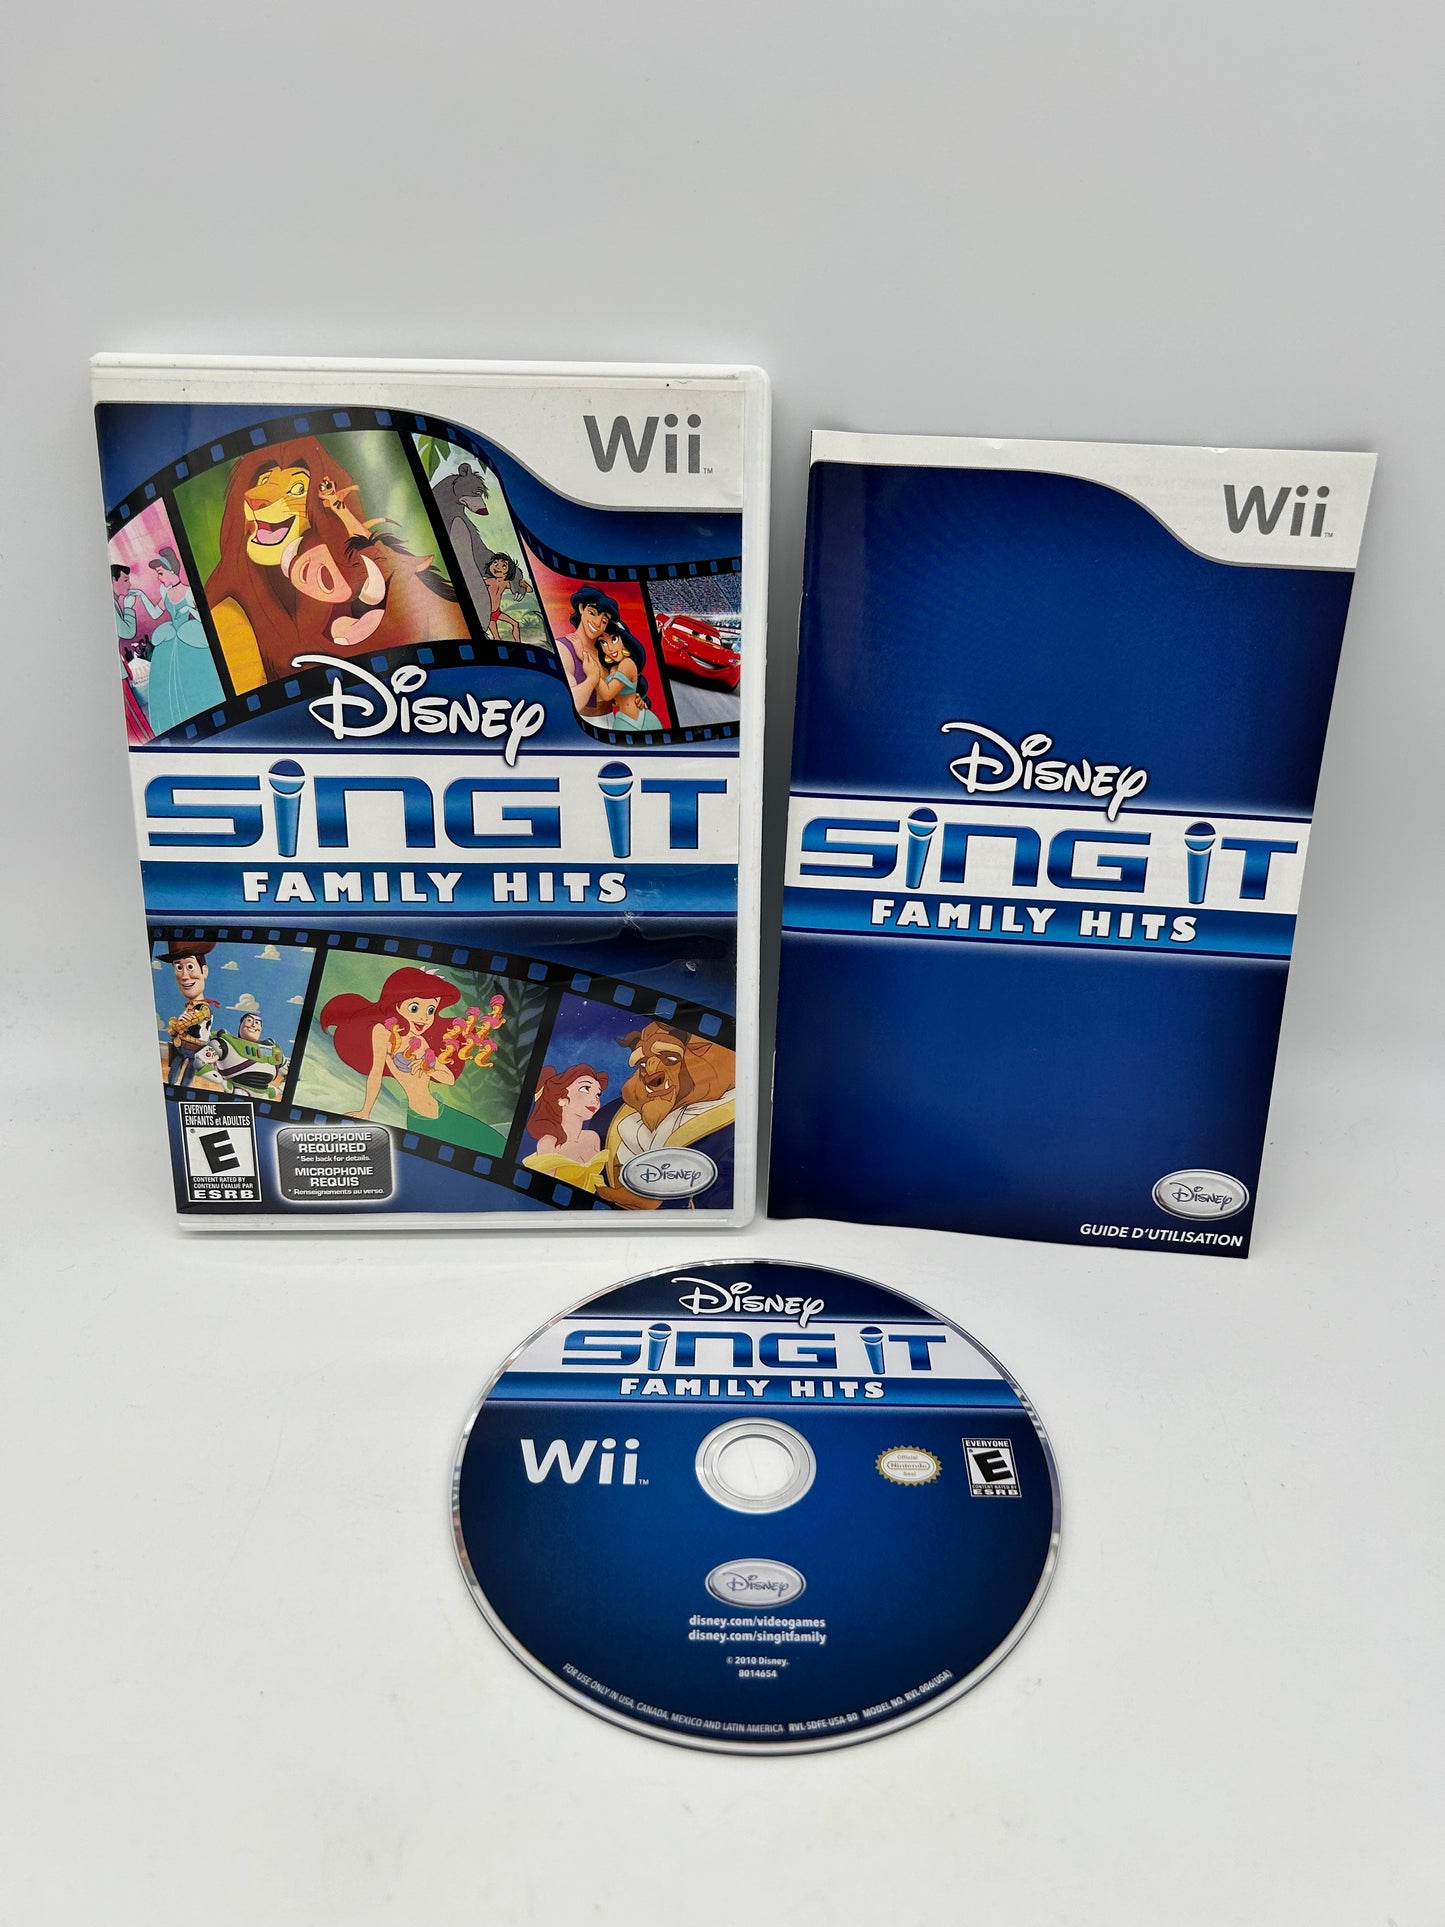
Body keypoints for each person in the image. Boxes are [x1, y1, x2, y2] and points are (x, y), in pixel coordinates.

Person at [135, 547, 219, 734]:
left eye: (160, 573)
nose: (159, 578)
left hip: (187, 638)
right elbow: (155, 613)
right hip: (170, 638)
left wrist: (191, 610)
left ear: (172, 570)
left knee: (192, 679)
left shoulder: (189, 592)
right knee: (169, 683)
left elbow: (203, 619)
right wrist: (142, 596)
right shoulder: (165, 592)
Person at [522, 1064, 610, 1191]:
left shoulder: (593, 1138)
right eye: (585, 1089)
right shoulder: (549, 1143)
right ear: (562, 1098)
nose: (595, 1100)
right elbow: (544, 1189)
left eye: (598, 1094)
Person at [558, 586, 618, 719]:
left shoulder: (606, 651)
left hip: (611, 720)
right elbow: (567, 704)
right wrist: (591, 679)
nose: (597, 623)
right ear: (581, 608)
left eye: (604, 621)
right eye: (592, 613)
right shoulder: (564, 648)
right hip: (582, 723)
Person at [588, 627, 663, 732]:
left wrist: (592, 674)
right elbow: (614, 699)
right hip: (625, 717)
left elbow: (607, 694)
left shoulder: (627, 663)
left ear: (625, 639)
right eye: (603, 643)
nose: (610, 648)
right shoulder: (612, 668)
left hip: (639, 720)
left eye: (614, 639)